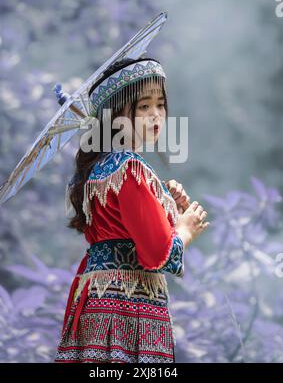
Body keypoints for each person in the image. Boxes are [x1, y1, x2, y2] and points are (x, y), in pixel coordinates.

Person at [54, 57, 209, 363]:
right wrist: (184, 230)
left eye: (160, 105)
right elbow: (155, 254)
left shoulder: (99, 168)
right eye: (143, 107)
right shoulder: (131, 168)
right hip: (128, 304)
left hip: (96, 298)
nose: (156, 115)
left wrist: (165, 204)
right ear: (116, 116)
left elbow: (121, 230)